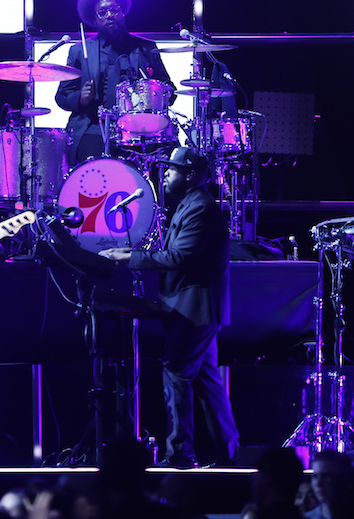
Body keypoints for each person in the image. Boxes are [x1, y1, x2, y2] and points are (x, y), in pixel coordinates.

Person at [99, 147, 240, 468]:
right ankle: (229, 454)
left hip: (195, 308)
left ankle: (179, 456)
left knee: (176, 373)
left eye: (171, 170)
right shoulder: (190, 206)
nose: (164, 175)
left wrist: (127, 257)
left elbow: (179, 258)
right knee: (208, 382)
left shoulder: (201, 209)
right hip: (195, 308)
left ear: (190, 175)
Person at [55, 0, 175, 165]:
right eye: (102, 13)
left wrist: (154, 94)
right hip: (93, 127)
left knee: (160, 157)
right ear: (94, 20)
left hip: (137, 128)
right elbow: (62, 96)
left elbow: (169, 90)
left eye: (114, 10)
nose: (110, 15)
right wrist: (81, 98)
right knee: (95, 166)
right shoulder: (79, 51)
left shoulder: (145, 48)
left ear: (123, 12)